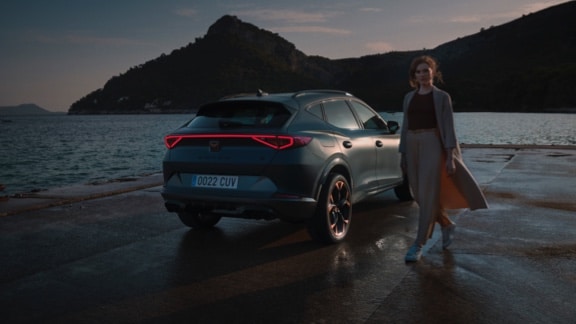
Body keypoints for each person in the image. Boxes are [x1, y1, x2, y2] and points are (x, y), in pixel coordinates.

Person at [399, 55, 488, 262]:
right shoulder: (408, 98)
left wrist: (449, 156)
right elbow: (404, 127)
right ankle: (446, 224)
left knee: (429, 194)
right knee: (419, 195)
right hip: (411, 145)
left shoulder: (442, 97)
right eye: (418, 72)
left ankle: (418, 244)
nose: (422, 75)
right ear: (414, 76)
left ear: (433, 72)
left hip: (432, 142)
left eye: (425, 70)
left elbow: (448, 127)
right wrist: (402, 154)